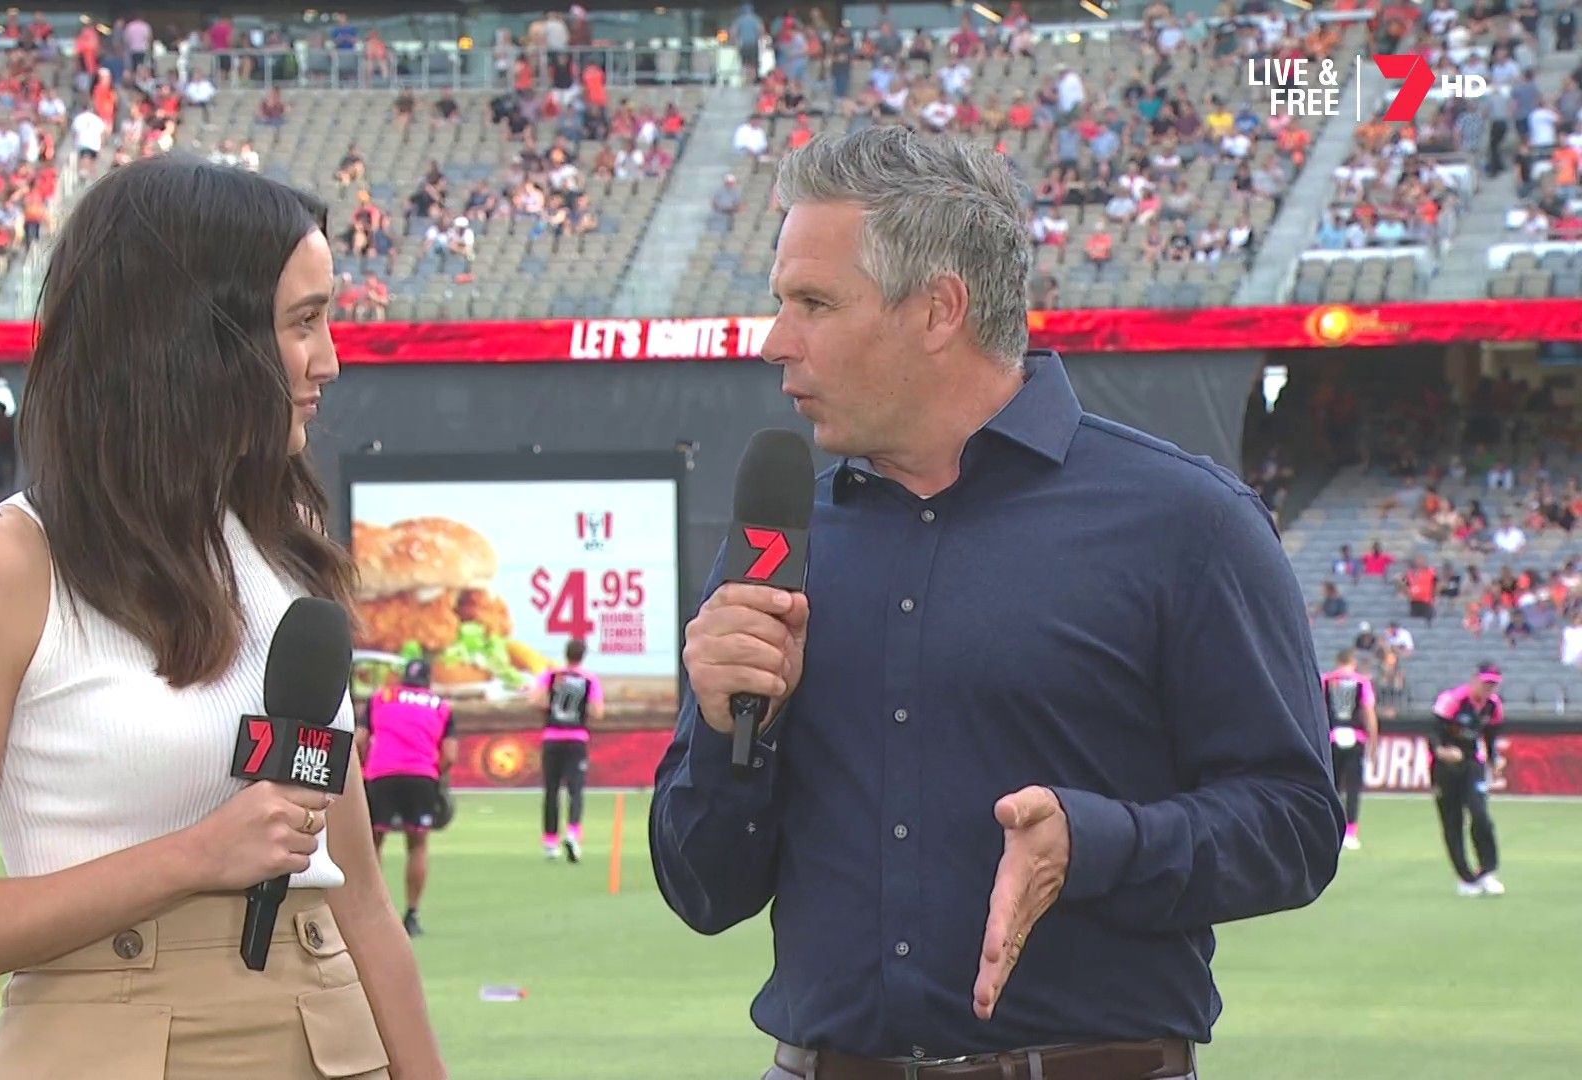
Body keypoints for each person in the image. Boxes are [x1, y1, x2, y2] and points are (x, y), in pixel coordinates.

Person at [650, 128, 1341, 1080]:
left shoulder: (1186, 522)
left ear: (939, 309)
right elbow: (702, 890)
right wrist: (740, 737)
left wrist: (1095, 843)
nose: (776, 341)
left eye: (814, 303)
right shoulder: (778, 547)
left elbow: (1296, 826)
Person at [0, 157, 445, 1080]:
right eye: (302, 323)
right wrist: (193, 858)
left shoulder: (289, 544)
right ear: (191, 340)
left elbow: (361, 903)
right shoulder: (0, 569)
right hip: (111, 1044)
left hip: (337, 1040)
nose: (329, 360)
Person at [357, 659, 457, 938]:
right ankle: (412, 914)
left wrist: (364, 770)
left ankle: (370, 912)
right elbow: (450, 755)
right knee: (417, 844)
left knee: (373, 842)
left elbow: (359, 740)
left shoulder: (381, 697)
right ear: (428, 681)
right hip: (421, 776)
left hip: (382, 773)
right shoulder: (440, 706)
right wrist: (434, 776)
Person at [1430, 663, 1507, 896]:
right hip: (1445, 768)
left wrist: (1494, 760)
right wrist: (1442, 751)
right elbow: (1434, 733)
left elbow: (1490, 737)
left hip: (1472, 764)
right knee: (1452, 821)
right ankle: (1465, 878)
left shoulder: (1493, 706)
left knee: (1480, 814)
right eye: (1485, 683)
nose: (1488, 688)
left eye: (1493, 684)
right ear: (1475, 680)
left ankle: (1487, 871)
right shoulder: (1452, 700)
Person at [529, 636, 604, 861]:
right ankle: (572, 833)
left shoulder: (552, 675)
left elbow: (535, 701)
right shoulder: (589, 679)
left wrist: (550, 707)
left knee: (551, 791)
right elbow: (597, 712)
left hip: (552, 737)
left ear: (566, 654)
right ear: (583, 656)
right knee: (575, 789)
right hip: (576, 739)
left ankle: (550, 842)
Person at [1320, 648, 1378, 850]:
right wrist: (1373, 742)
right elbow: (1368, 712)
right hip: (1355, 738)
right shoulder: (1362, 682)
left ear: (1338, 661)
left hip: (1331, 737)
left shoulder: (1326, 680)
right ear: (1353, 661)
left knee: (1332, 787)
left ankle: (1330, 829)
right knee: (1353, 788)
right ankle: (1351, 832)